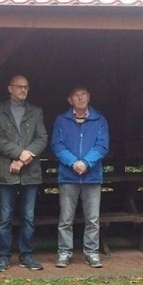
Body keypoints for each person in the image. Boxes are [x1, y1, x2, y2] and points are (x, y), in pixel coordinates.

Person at [0, 74, 48, 272]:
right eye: (20, 86)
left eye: (26, 87)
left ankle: (26, 256)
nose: (23, 90)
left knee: (28, 217)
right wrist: (19, 153)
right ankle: (4, 257)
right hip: (7, 172)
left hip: (30, 172)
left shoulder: (36, 111)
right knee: (5, 217)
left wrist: (23, 158)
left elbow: (42, 138)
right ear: (10, 88)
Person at [51, 86, 110, 268]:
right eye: (76, 95)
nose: (80, 98)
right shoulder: (61, 120)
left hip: (92, 177)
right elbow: (56, 145)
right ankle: (64, 252)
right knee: (65, 219)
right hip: (69, 177)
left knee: (92, 219)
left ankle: (92, 252)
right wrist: (73, 162)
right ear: (70, 100)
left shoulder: (99, 119)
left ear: (89, 97)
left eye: (83, 94)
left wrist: (86, 162)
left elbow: (102, 145)